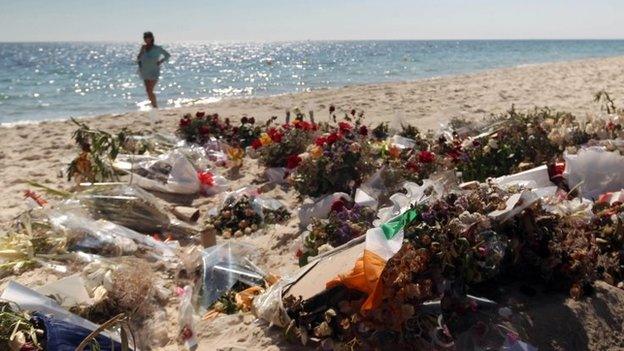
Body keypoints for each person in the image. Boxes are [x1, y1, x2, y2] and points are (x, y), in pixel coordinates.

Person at [137, 31, 170, 108]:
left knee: (150, 90)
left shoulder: (157, 48)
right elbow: (139, 58)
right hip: (144, 71)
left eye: (147, 37)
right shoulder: (143, 47)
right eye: (144, 38)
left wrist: (160, 62)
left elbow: (167, 55)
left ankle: (155, 106)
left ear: (151, 38)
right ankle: (154, 106)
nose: (145, 39)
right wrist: (141, 53)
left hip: (154, 71)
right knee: (148, 91)